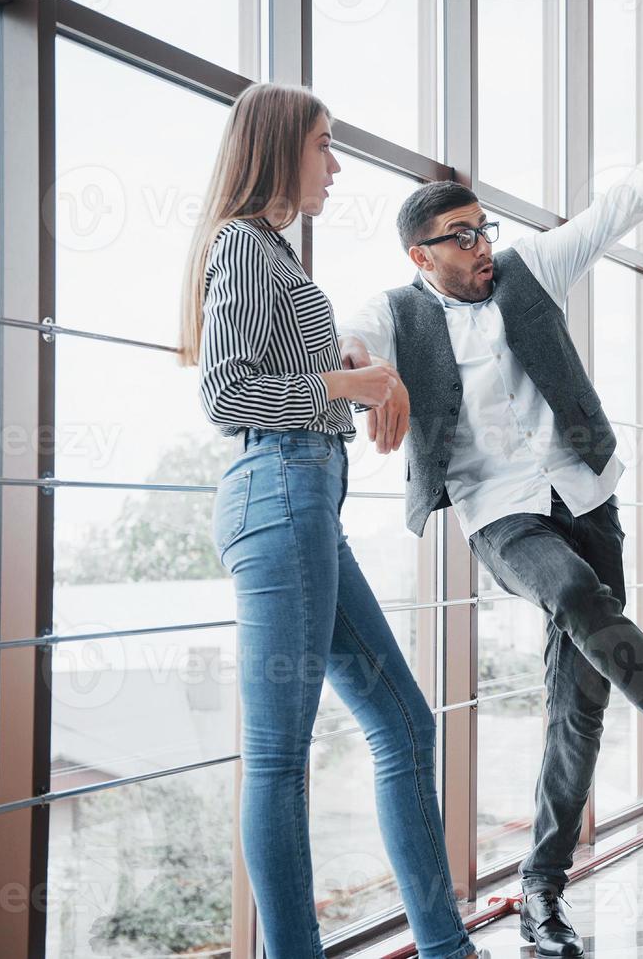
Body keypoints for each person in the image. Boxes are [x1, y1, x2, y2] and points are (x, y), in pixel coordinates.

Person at [338, 123, 643, 959]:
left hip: (586, 491)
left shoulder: (527, 272)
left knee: (579, 705)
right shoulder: (392, 312)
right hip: (497, 511)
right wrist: (370, 378)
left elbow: (603, 217)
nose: (482, 244)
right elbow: (348, 348)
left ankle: (541, 889)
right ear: (423, 256)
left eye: (483, 228)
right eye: (462, 237)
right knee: (568, 592)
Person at [180, 84, 479, 959]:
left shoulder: (269, 252)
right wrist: (349, 386)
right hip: (278, 491)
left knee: (405, 725)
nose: (336, 165)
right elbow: (226, 392)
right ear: (278, 149)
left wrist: (347, 356)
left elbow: (281, 362)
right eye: (323, 146)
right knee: (278, 757)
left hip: (303, 500)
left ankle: (446, 948)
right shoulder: (240, 244)